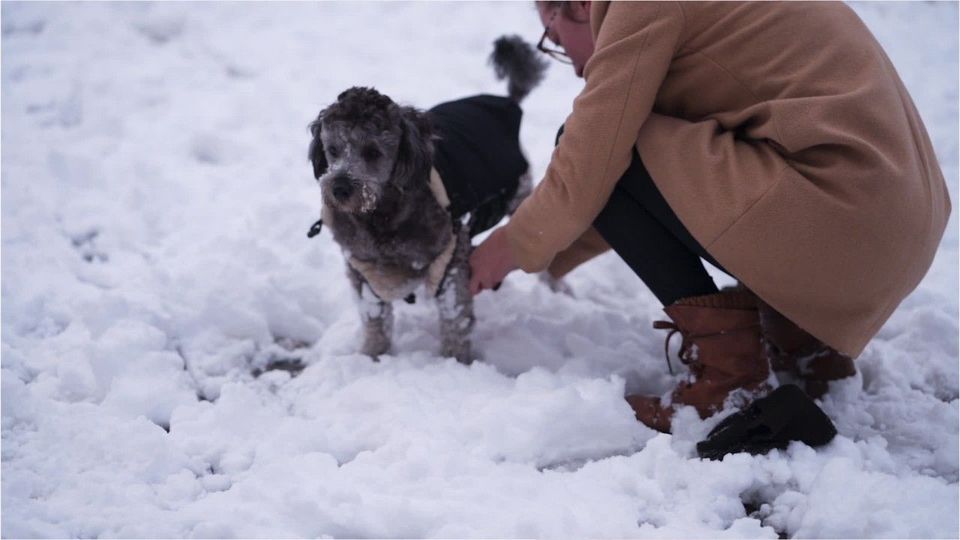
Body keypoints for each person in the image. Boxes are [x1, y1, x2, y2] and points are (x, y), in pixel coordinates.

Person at [468, 1, 951, 433]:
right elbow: (656, 187)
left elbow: (596, 163)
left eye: (554, 41)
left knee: (592, 139)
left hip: (839, 222)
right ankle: (806, 346)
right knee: (629, 143)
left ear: (576, 6)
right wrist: (552, 254)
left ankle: (731, 379)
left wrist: (505, 249)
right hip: (886, 229)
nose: (573, 68)